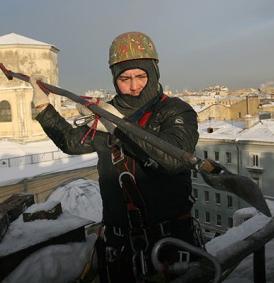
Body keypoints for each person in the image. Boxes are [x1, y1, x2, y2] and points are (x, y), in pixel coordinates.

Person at [30, 31, 200, 282]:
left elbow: (174, 159)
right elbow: (70, 142)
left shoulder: (174, 111)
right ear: (114, 79)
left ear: (153, 72)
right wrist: (44, 109)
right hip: (122, 247)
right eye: (124, 78)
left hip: (171, 242)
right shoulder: (106, 113)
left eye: (141, 76)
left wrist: (116, 126)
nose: (134, 86)